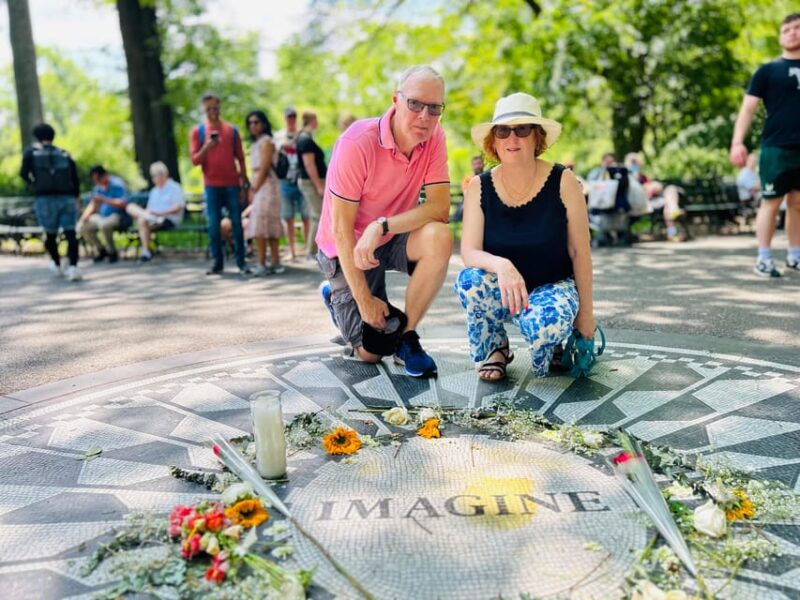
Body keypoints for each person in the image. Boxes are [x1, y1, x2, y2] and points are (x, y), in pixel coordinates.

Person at [316, 65, 452, 378]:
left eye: (434, 109)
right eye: (415, 104)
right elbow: (341, 229)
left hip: (390, 236)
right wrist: (363, 301)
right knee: (370, 354)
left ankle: (406, 337)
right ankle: (336, 294)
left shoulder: (434, 136)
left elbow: (439, 208)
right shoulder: (356, 143)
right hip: (346, 246)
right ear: (395, 100)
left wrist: (382, 225)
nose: (424, 116)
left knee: (440, 236)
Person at [455, 92, 595, 382]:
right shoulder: (479, 186)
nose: (512, 138)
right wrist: (503, 266)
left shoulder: (564, 181)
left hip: (552, 284)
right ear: (493, 141)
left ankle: (556, 336)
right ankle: (496, 348)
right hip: (504, 287)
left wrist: (586, 314)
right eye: (503, 131)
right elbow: (469, 251)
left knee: (546, 326)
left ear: (537, 138)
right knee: (469, 281)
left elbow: (580, 252)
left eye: (522, 129)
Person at [730, 13, 800, 278]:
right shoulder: (768, 71)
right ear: (781, 37)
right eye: (787, 29)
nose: (792, 32)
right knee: (771, 200)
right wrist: (738, 141)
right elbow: (748, 109)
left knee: (797, 202)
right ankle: (764, 258)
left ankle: (795, 256)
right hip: (776, 146)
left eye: (797, 28)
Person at [189, 91, 250, 275]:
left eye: (215, 107)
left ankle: (241, 262)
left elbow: (240, 158)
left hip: (232, 184)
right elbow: (195, 160)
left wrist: (244, 184)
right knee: (213, 225)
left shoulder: (232, 131)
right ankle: (217, 263)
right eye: (208, 109)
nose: (213, 111)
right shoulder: (198, 132)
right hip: (211, 186)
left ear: (220, 107)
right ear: (204, 110)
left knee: (237, 225)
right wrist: (207, 146)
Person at [19, 123, 82, 281]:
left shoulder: (31, 153)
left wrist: (34, 185)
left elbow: (23, 174)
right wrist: (76, 198)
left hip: (45, 198)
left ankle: (57, 264)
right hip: (66, 198)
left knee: (50, 234)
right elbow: (75, 179)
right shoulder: (64, 153)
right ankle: (74, 267)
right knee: (71, 233)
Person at [245, 110, 285, 276]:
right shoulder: (256, 143)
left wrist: (253, 189)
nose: (253, 126)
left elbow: (264, 167)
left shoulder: (267, 142)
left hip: (267, 186)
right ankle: (273, 262)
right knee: (265, 223)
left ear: (264, 123)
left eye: (256, 122)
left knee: (262, 224)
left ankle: (264, 263)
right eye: (250, 123)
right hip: (261, 184)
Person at [126, 161, 185, 262]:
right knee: (131, 208)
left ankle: (146, 252)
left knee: (142, 220)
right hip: (152, 218)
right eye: (153, 175)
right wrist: (150, 213)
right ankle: (146, 252)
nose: (154, 178)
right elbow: (149, 208)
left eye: (156, 175)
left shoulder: (174, 187)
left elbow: (177, 208)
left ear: (164, 174)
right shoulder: (154, 191)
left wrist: (159, 213)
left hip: (168, 219)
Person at [274, 107, 309, 260]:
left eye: (294, 116)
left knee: (306, 217)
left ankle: (309, 250)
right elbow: (276, 150)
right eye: (289, 116)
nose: (291, 119)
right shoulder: (279, 136)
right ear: (285, 118)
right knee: (287, 218)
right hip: (285, 181)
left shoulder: (304, 135)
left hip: (301, 180)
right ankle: (292, 250)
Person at [79, 165, 129, 263]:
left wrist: (104, 200)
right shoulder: (98, 187)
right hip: (102, 216)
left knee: (104, 225)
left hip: (118, 215)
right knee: (82, 226)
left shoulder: (117, 184)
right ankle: (101, 250)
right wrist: (84, 216)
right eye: (94, 180)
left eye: (98, 179)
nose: (97, 182)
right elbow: (93, 203)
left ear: (105, 175)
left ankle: (112, 252)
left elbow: (123, 203)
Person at [296, 111, 328, 259]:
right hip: (311, 183)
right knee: (317, 216)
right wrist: (319, 186)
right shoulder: (304, 139)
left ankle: (317, 249)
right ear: (311, 120)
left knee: (319, 215)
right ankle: (312, 251)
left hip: (315, 182)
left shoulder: (308, 138)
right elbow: (309, 165)